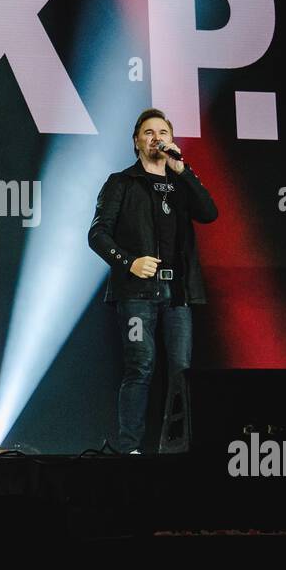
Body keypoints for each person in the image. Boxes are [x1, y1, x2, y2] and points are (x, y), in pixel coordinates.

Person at [88, 108, 219, 454]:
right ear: (136, 141)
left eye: (162, 132)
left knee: (181, 372)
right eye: (148, 132)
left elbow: (209, 213)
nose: (156, 137)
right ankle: (130, 447)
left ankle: (176, 447)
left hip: (178, 294)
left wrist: (184, 171)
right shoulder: (121, 182)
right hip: (137, 293)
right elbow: (98, 235)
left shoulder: (180, 185)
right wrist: (130, 263)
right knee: (140, 366)